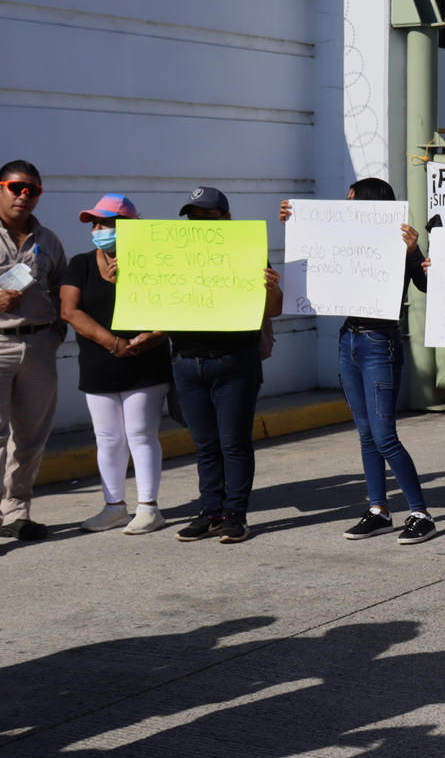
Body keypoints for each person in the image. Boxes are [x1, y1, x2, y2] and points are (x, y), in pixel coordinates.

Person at [280, 181, 434, 544]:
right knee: (366, 434)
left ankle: (420, 513)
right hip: (348, 337)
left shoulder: (397, 239)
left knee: (384, 435)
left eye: (351, 199)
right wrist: (297, 226)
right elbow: (315, 256)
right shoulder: (343, 236)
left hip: (380, 340)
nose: (345, 204)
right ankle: (379, 509)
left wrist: (413, 252)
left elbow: (425, 283)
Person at [171, 187, 284, 545]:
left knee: (233, 443)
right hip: (187, 362)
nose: (198, 223)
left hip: (234, 361)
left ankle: (235, 514)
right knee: (205, 444)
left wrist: (272, 289)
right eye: (193, 217)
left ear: (226, 218)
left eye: (206, 216)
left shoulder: (247, 250)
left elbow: (274, 309)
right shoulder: (173, 254)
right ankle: (210, 512)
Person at [59, 195, 171, 534]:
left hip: (145, 362)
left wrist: (152, 336)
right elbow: (69, 310)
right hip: (99, 365)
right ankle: (113, 507)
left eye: (106, 223)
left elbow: (176, 305)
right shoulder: (80, 264)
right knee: (107, 437)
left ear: (129, 228)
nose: (98, 230)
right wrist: (113, 343)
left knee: (141, 434)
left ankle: (149, 508)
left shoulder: (155, 262)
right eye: (95, 224)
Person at [0, 159, 67, 543]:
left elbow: (60, 285)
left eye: (33, 190)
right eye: (16, 187)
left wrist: (55, 329)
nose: (24, 196)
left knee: (31, 436)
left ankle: (16, 512)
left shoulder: (48, 239)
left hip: (39, 345)